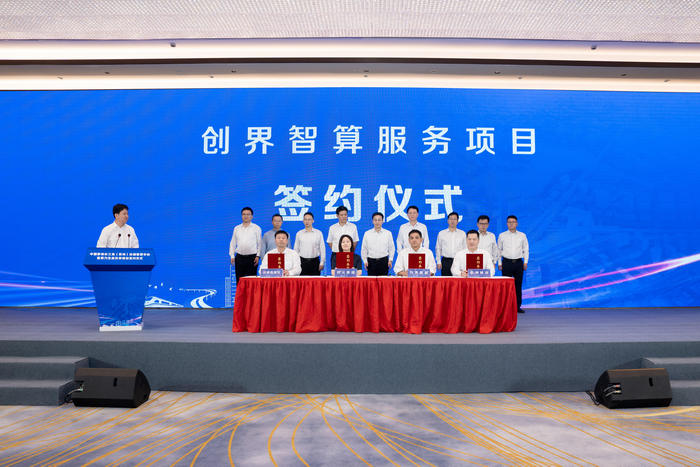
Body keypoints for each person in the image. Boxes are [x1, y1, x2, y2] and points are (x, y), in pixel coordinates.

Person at [498, 215, 529, 313]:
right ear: (507, 224)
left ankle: (517, 306)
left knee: (518, 286)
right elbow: (499, 250)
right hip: (506, 263)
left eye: (513, 222)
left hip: (518, 263)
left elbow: (526, 249)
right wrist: (499, 263)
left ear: (517, 223)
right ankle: (506, 307)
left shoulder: (522, 235)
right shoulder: (502, 235)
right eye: (509, 222)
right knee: (506, 287)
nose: (511, 224)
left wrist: (525, 262)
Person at [229, 207, 262, 282]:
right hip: (239, 258)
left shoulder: (256, 228)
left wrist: (258, 256)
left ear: (252, 216)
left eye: (248, 214)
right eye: (244, 214)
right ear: (241, 216)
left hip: (252, 258)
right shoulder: (237, 228)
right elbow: (233, 243)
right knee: (239, 281)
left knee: (251, 281)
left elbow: (260, 244)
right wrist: (232, 255)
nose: (246, 216)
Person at [435, 211, 466, 276]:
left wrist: (464, 262)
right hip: (446, 261)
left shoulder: (462, 234)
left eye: (454, 219)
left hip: (458, 261)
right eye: (451, 219)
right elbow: (438, 248)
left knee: (458, 280)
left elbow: (465, 249)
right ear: (448, 221)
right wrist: (438, 261)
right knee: (446, 281)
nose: (452, 221)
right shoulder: (441, 233)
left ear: (457, 221)